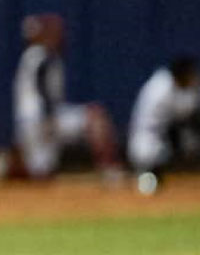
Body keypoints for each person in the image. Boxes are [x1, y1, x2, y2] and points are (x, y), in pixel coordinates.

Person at [10, 12, 122, 181]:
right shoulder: (41, 54)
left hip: (29, 123)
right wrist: (48, 116)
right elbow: (42, 86)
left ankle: (7, 165)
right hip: (44, 118)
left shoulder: (29, 57)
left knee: (42, 173)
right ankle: (110, 170)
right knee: (95, 115)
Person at [127, 56, 200, 194]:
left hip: (151, 137)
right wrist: (197, 89)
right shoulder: (164, 89)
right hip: (147, 142)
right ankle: (146, 175)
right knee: (150, 178)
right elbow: (187, 111)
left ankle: (149, 175)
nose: (194, 77)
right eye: (191, 74)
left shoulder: (163, 80)